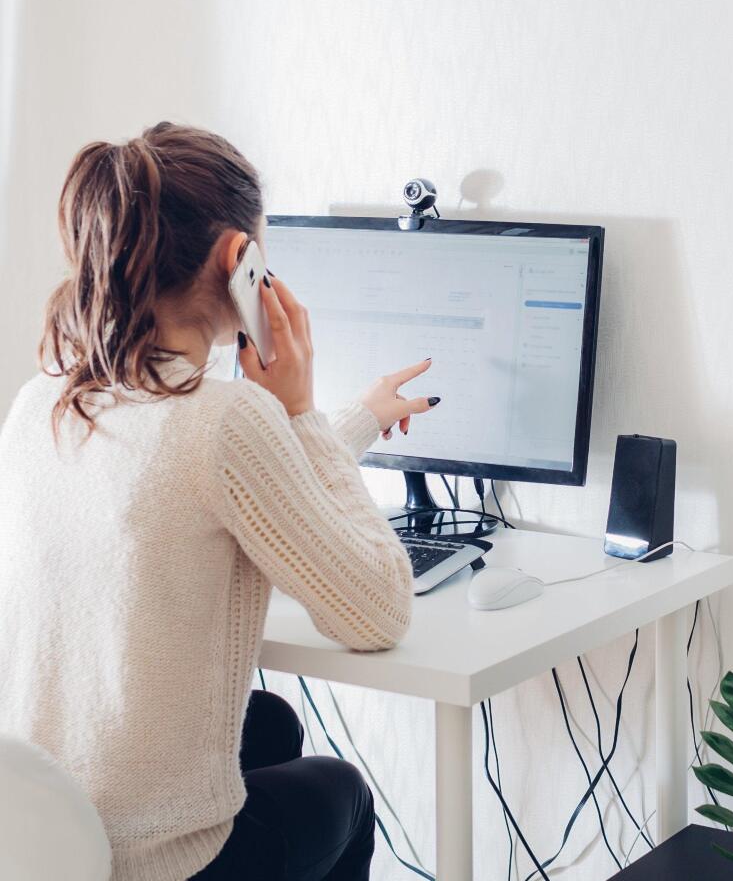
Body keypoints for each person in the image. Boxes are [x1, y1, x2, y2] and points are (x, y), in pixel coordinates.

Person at [0, 122, 438, 881]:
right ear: (242, 259)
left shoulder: (44, 400)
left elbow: (220, 482)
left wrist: (356, 417)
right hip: (150, 859)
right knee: (343, 793)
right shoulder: (227, 418)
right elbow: (379, 610)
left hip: (41, 834)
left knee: (269, 726)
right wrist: (298, 410)